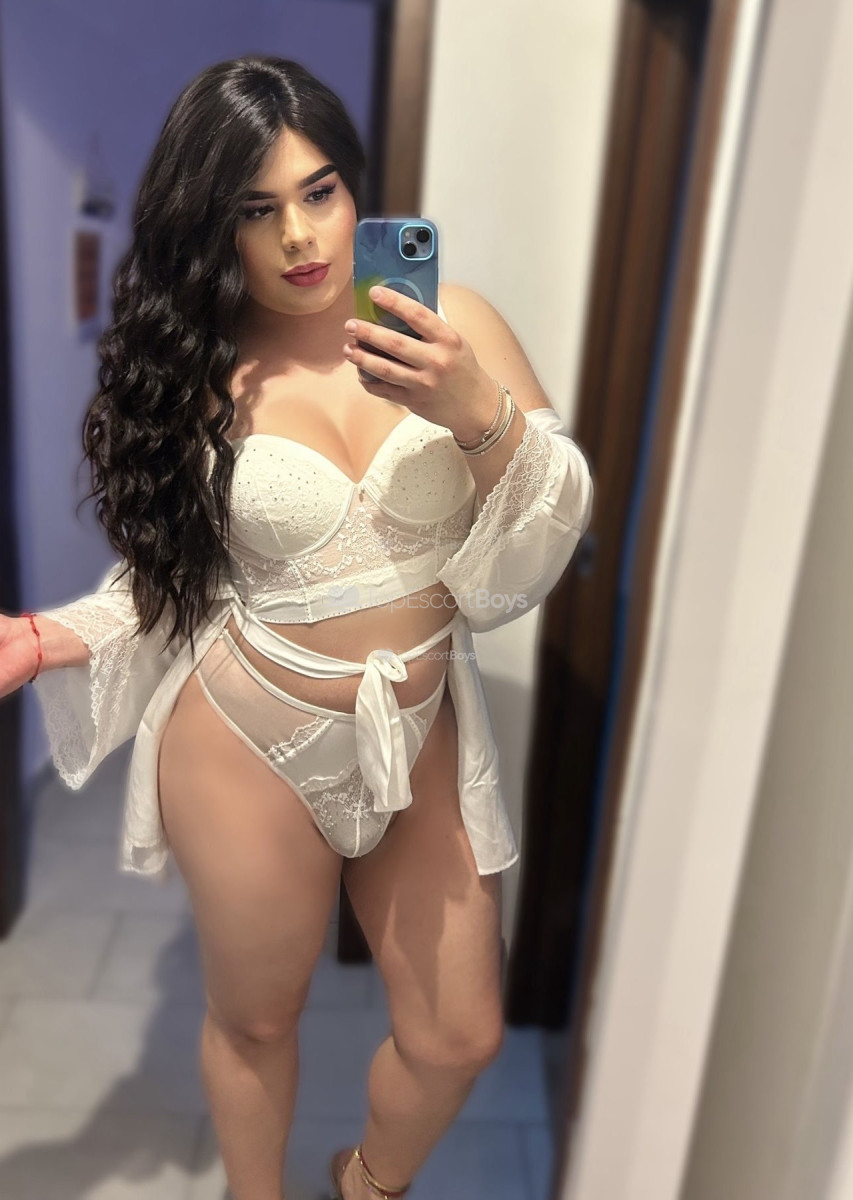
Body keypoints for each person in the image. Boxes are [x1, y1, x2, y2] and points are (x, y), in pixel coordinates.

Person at [0, 56, 594, 1200]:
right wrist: (52, 637)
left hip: (415, 723)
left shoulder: (454, 326)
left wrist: (476, 413)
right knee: (258, 1021)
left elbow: (539, 541)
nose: (299, 237)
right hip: (246, 737)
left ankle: (362, 1185)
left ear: (353, 184)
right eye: (254, 208)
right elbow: (177, 579)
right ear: (212, 226)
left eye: (319, 191)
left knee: (457, 1034)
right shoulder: (203, 368)